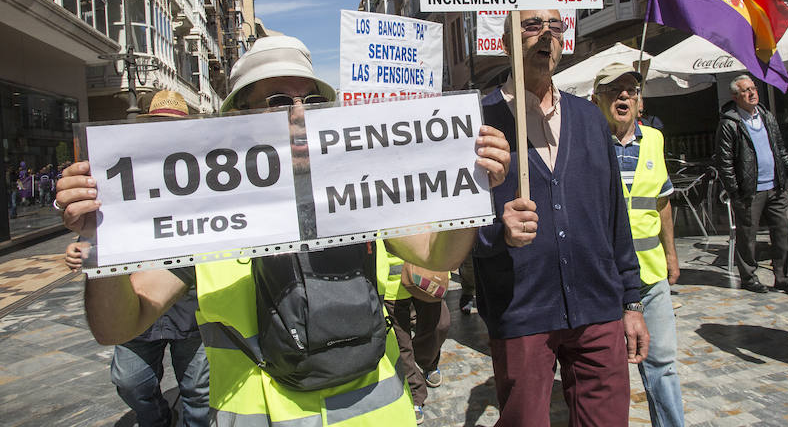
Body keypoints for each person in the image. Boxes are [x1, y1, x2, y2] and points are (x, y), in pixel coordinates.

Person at [56, 35, 510, 426]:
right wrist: (100, 240)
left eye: (310, 101)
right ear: (239, 116)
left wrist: (469, 192)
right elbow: (118, 326)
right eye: (277, 101)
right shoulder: (200, 212)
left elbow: (438, 255)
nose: (298, 114)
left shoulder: (358, 188)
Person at [475, 9, 648, 426]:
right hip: (522, 309)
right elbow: (457, 231)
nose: (545, 35)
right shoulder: (478, 122)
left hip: (598, 306)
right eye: (532, 25)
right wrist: (497, 230)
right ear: (506, 43)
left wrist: (631, 300)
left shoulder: (589, 119)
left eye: (555, 26)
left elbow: (614, 215)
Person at [594, 62, 684, 427]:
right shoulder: (588, 143)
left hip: (650, 274)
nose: (623, 96)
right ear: (596, 99)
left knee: (663, 365)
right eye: (613, 90)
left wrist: (671, 255)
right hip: (604, 279)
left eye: (630, 90)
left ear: (639, 99)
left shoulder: (655, 140)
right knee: (605, 373)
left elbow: (662, 202)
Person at [65, 238, 209, 427]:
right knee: (130, 382)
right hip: (132, 302)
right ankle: (157, 419)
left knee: (198, 389)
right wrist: (85, 244)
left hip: (189, 307)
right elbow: (100, 229)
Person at [715, 74, 788, 296]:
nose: (752, 93)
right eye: (746, 90)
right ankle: (749, 278)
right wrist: (735, 192)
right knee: (747, 237)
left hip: (776, 186)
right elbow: (724, 162)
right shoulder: (729, 123)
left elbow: (780, 149)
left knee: (782, 234)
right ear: (735, 96)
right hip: (749, 191)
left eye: (753, 88)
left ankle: (784, 279)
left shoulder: (766, 116)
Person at [383, 252, 450, 424]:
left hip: (428, 274)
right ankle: (414, 392)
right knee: (401, 344)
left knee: (440, 325)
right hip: (391, 283)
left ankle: (427, 362)